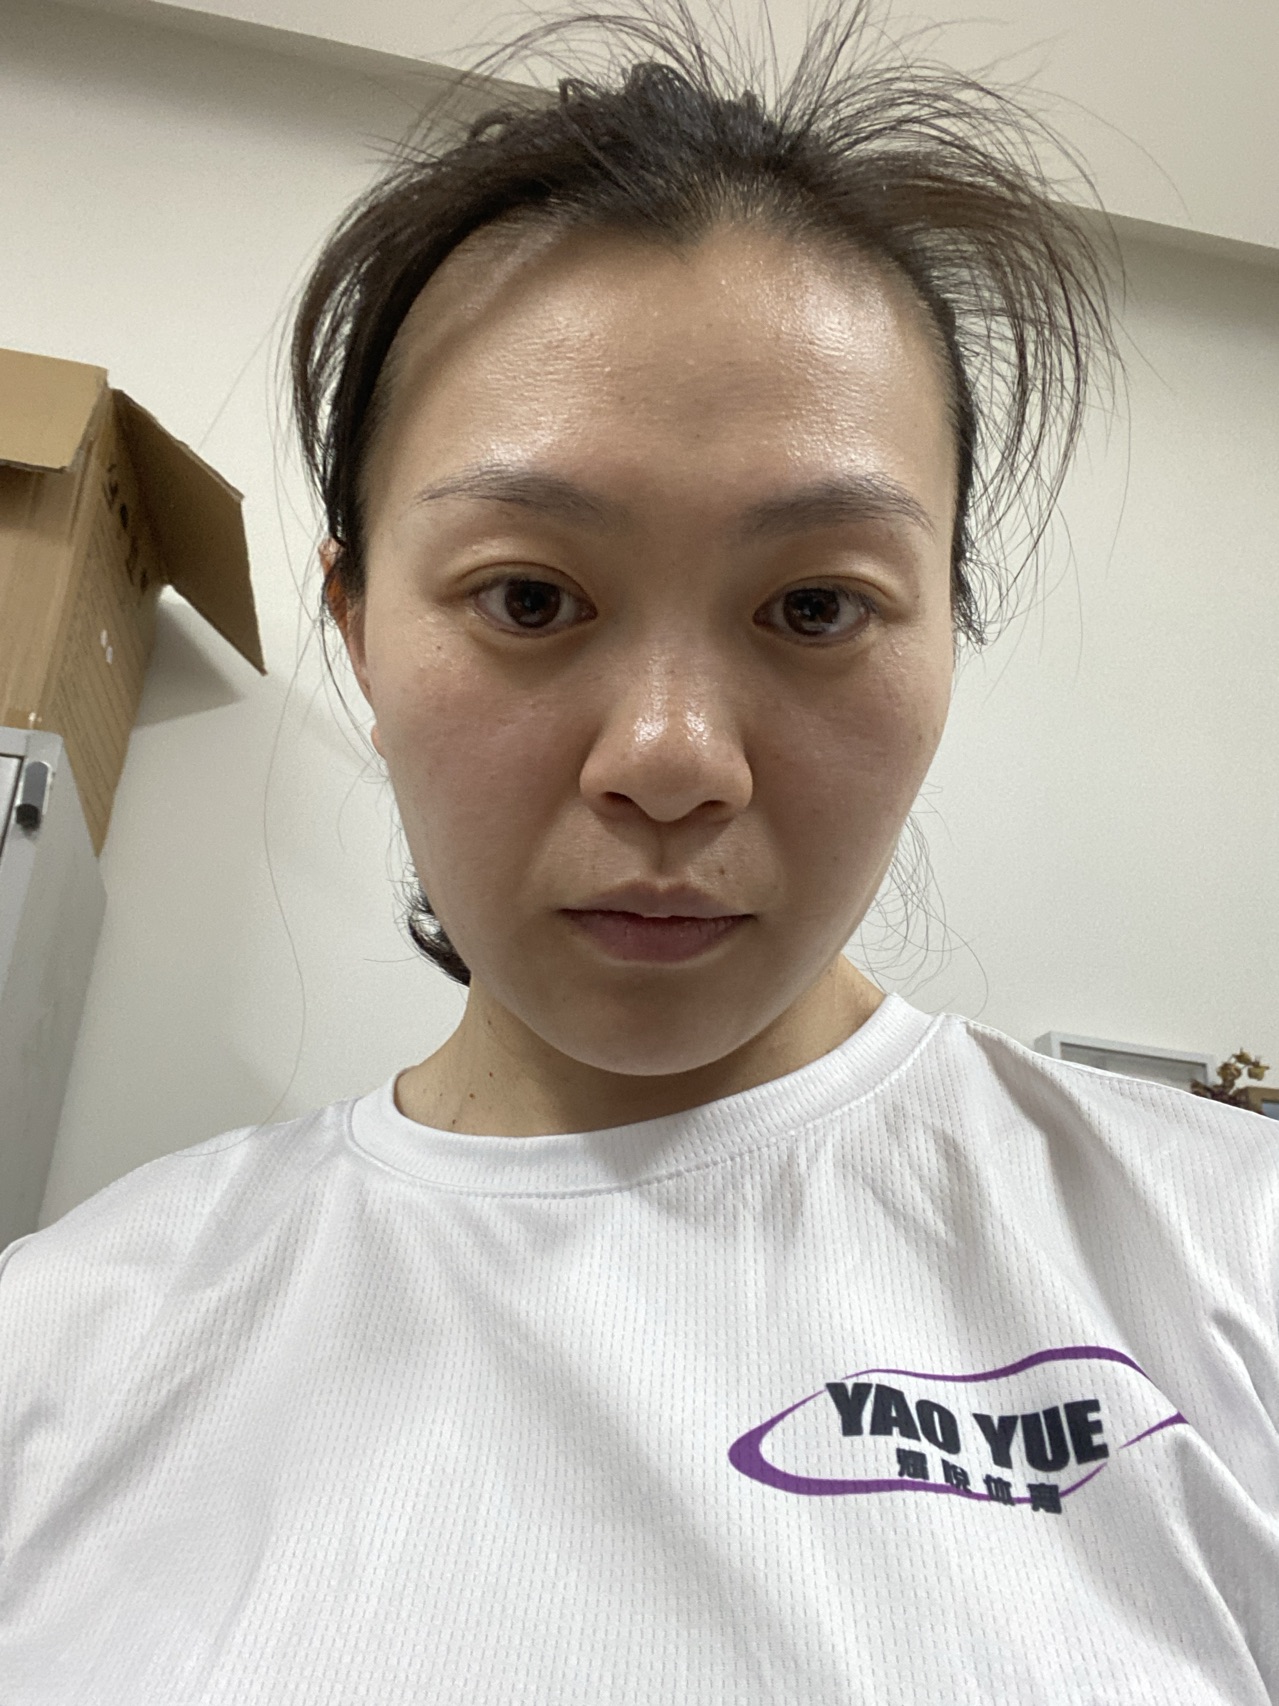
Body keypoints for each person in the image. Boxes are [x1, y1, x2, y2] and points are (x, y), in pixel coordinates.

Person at [2, 5, 1276, 1701]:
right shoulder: (63, 1348)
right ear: (359, 628)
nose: (672, 761)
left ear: (945, 636)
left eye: (816, 607)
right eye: (530, 596)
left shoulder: (1234, 1260)